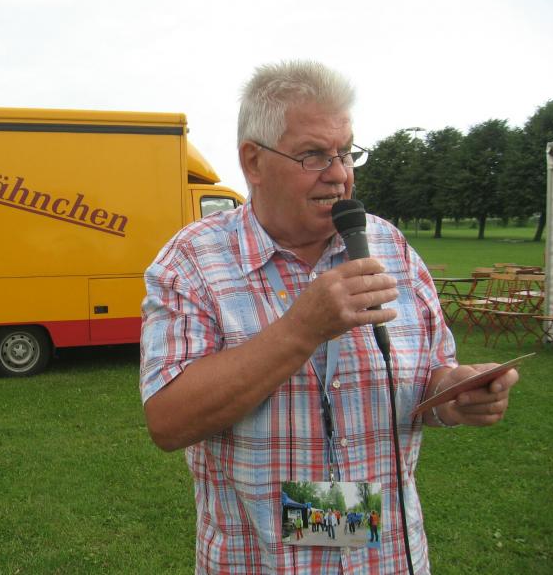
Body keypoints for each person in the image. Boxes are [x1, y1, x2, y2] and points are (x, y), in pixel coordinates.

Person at [139, 59, 519, 574]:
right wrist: (301, 329)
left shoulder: (391, 247)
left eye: (345, 152)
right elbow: (168, 422)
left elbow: (431, 375)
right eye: (313, 155)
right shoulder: (192, 261)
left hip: (388, 560)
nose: (339, 174)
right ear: (253, 161)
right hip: (261, 561)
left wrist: (454, 393)